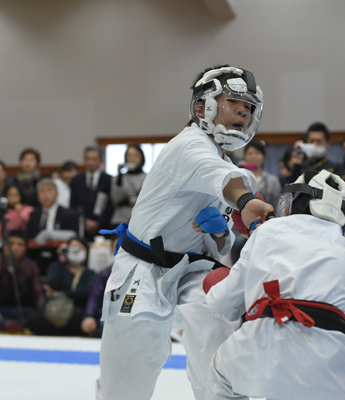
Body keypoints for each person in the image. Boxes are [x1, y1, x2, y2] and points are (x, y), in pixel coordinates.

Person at [95, 65, 272, 400]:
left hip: (192, 270)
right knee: (129, 377)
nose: (243, 113)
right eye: (234, 103)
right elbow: (215, 173)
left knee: (221, 322)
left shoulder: (224, 163)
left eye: (248, 108)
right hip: (143, 271)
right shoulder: (187, 146)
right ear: (202, 106)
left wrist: (221, 234)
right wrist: (246, 200)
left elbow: (220, 249)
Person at [205, 170, 345, 400]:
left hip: (269, 344)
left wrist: (213, 284)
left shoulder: (267, 232)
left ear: (296, 201)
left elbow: (223, 306)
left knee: (221, 376)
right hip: (339, 364)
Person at [26, 237, 95, 336]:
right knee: (33, 320)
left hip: (76, 313)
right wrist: (61, 260)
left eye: (80, 248)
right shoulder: (57, 267)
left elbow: (86, 292)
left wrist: (60, 293)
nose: (76, 251)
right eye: (73, 247)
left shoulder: (90, 274)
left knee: (80, 321)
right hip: (55, 309)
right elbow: (52, 283)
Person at [0, 230, 43, 332]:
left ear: (25, 248)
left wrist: (41, 312)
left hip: (24, 309)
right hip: (1, 310)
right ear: (4, 246)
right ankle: (10, 325)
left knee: (38, 317)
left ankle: (16, 325)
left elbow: (38, 293)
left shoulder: (31, 266)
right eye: (11, 244)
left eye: (20, 245)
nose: (15, 248)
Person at [70, 147, 114, 239]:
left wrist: (98, 222)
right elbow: (73, 204)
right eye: (88, 159)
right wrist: (84, 221)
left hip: (103, 227)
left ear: (100, 160)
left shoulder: (108, 180)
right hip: (82, 227)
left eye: (94, 159)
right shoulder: (76, 180)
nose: (90, 162)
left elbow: (110, 205)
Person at [81, 236, 119, 337]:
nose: (120, 251)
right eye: (116, 248)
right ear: (111, 251)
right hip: (111, 317)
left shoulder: (144, 272)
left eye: (124, 247)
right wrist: (89, 316)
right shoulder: (104, 274)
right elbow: (95, 296)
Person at [110, 144, 147, 227]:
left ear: (141, 158)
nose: (132, 159)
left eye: (135, 155)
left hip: (139, 219)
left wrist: (126, 201)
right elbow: (116, 198)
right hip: (119, 219)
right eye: (129, 156)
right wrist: (119, 174)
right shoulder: (118, 178)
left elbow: (144, 200)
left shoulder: (147, 178)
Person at [241, 140, 281, 208]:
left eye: (257, 153)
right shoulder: (240, 178)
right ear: (245, 157)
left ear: (264, 157)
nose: (253, 156)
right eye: (250, 154)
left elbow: (277, 205)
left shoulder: (272, 180)